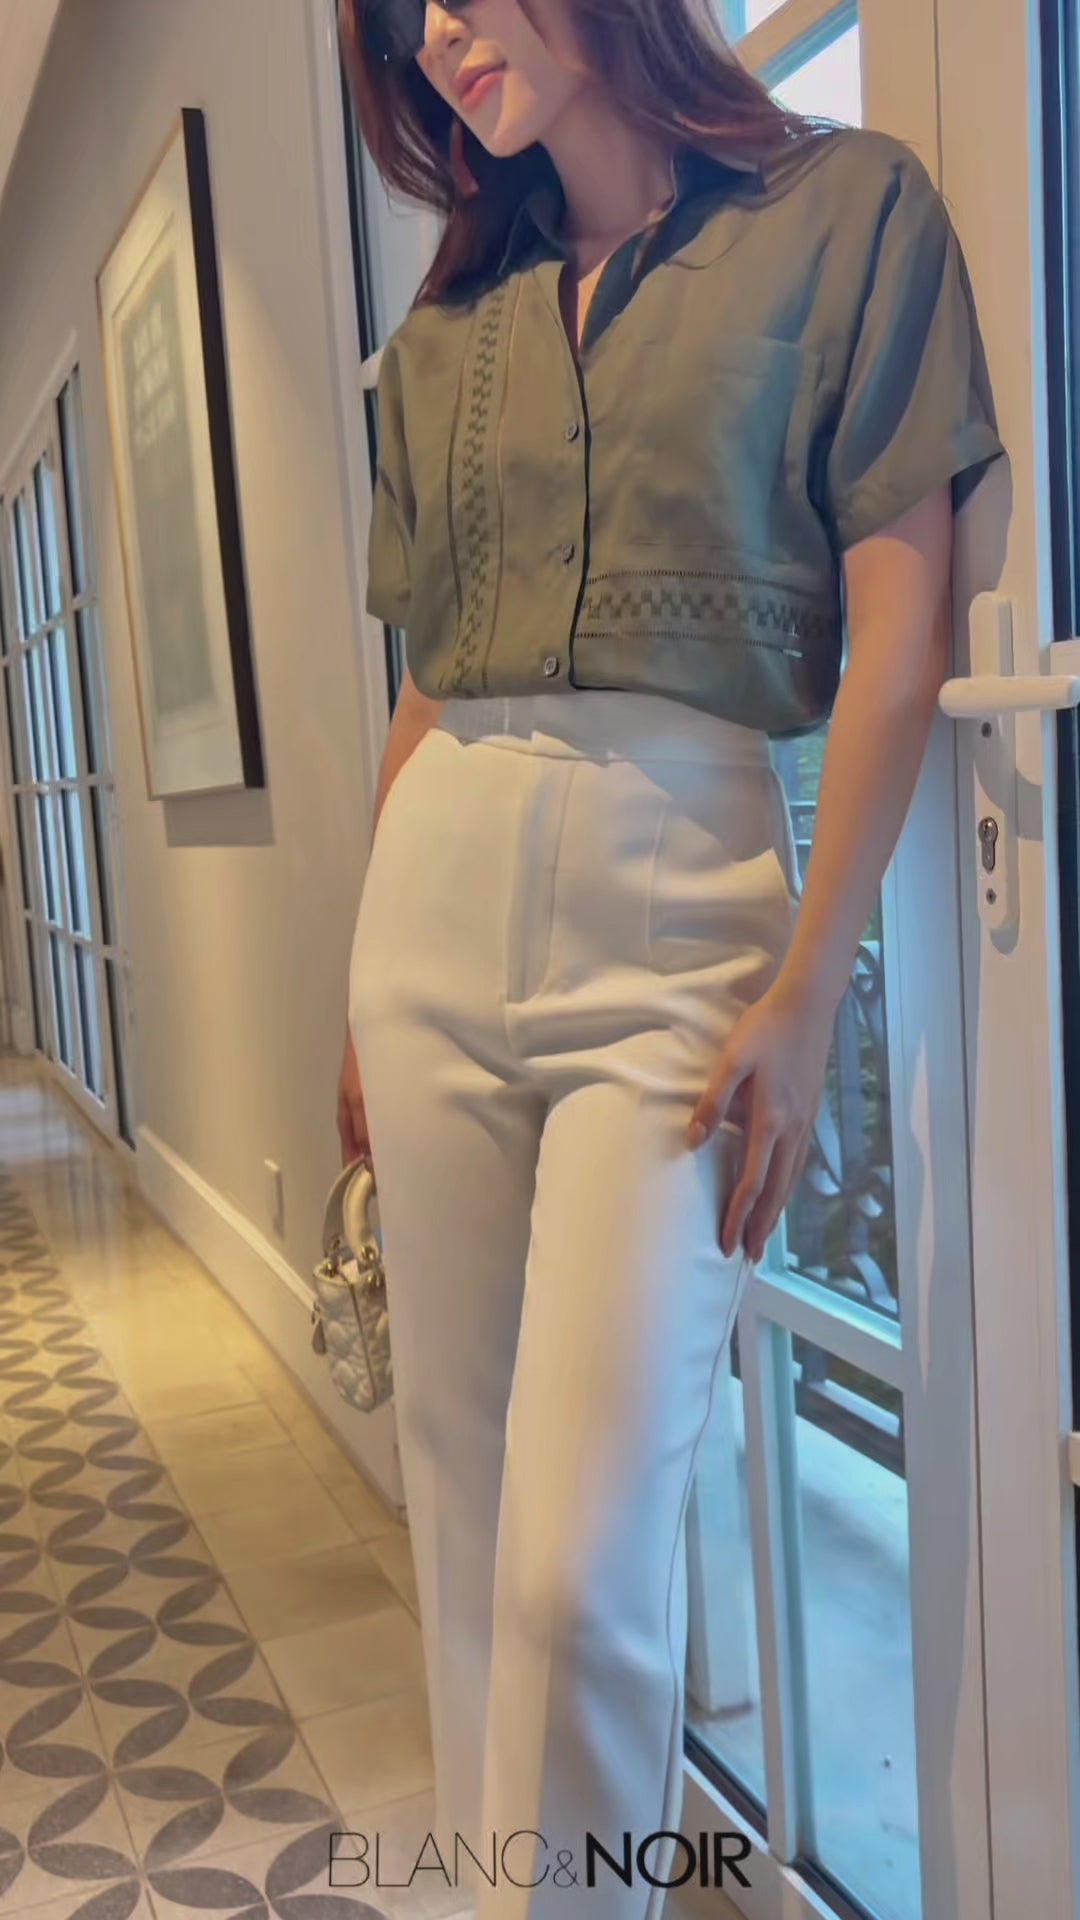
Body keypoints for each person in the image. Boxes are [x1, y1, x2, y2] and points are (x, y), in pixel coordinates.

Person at [335, 2, 1009, 1914]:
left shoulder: (850, 216)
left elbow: (901, 641)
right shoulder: (448, 327)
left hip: (682, 903)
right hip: (434, 893)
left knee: (581, 1568)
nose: (437, 39)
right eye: (401, 20)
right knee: (468, 1528)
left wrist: (805, 985)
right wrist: (353, 982)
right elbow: (427, 683)